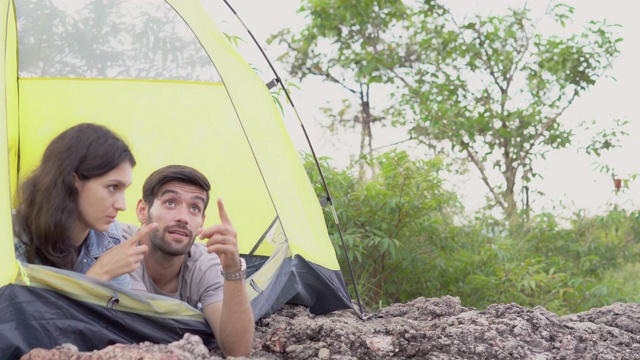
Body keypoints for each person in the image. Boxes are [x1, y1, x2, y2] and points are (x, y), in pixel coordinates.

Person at [122, 165, 254, 357]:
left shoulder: (206, 263)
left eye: (194, 208)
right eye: (170, 203)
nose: (183, 218)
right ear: (143, 210)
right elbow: (139, 325)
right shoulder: (119, 245)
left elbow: (237, 350)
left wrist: (233, 270)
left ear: (202, 221)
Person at [13, 123, 156, 288]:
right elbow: (22, 312)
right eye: (112, 187)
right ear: (73, 181)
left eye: (124, 189)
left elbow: (117, 311)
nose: (122, 205)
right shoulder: (11, 241)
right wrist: (97, 276)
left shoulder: (110, 236)